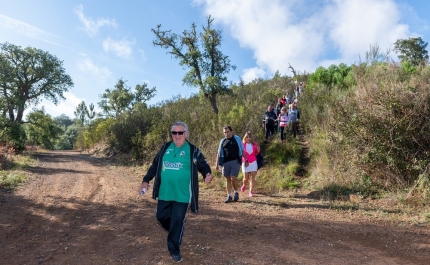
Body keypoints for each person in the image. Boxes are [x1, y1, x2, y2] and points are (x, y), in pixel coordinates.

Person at [139, 121, 213, 263]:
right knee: (161, 217)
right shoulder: (165, 148)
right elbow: (155, 166)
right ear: (171, 134)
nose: (177, 136)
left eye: (180, 133)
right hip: (165, 192)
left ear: (186, 134)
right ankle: (176, 231)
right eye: (174, 133)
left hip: (183, 195)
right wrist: (146, 180)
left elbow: (203, 165)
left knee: (177, 221)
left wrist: (207, 174)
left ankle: (174, 249)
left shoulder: (192, 150)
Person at [216, 126, 247, 203]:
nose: (226, 134)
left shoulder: (237, 138)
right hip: (225, 161)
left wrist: (245, 159)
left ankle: (236, 192)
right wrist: (216, 164)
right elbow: (219, 153)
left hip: (235, 160)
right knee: (228, 178)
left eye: (228, 132)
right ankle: (229, 195)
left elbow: (242, 149)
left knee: (233, 177)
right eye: (225, 132)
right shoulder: (222, 141)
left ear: (231, 131)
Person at [240, 131, 260, 196]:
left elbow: (257, 153)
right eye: (247, 137)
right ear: (245, 138)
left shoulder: (255, 144)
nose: (248, 138)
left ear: (251, 138)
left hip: (253, 161)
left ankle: (251, 191)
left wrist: (258, 150)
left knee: (252, 177)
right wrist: (245, 160)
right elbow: (241, 154)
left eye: (249, 137)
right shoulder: (242, 145)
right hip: (245, 162)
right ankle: (244, 184)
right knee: (245, 178)